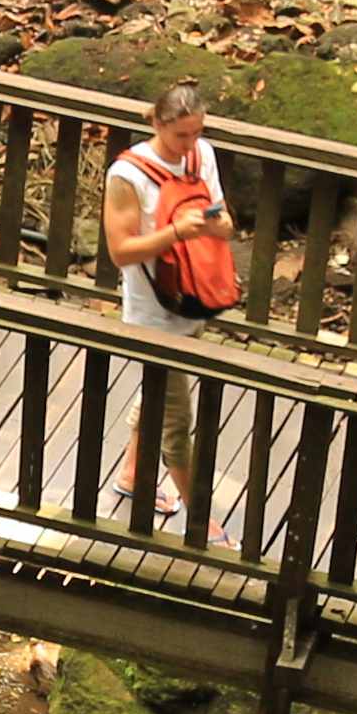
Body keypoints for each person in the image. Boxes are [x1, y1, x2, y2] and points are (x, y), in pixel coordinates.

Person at [102, 82, 233, 530]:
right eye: (181, 135)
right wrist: (175, 232)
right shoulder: (128, 175)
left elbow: (223, 219)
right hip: (153, 314)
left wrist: (215, 225)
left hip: (194, 296)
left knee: (158, 388)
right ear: (157, 124)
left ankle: (131, 474)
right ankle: (202, 523)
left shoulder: (202, 156)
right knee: (178, 423)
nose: (189, 144)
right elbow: (121, 252)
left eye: (197, 133)